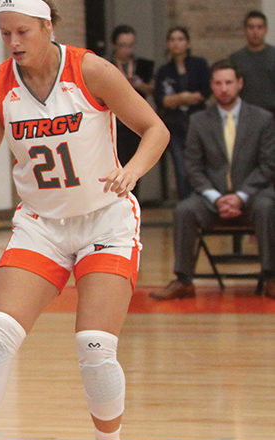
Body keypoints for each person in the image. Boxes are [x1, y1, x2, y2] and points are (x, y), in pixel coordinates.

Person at [0, 1, 169, 440]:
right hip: (41, 224)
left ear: (47, 27)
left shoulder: (90, 71)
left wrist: (130, 170)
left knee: (93, 344)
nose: (14, 41)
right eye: (5, 33)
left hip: (106, 219)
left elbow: (156, 130)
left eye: (23, 31)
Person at [150, 60, 275, 301]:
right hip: (212, 199)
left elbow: (268, 165)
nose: (224, 88)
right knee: (185, 210)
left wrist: (240, 196)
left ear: (239, 84)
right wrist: (217, 198)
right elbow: (193, 167)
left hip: (252, 197)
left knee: (267, 206)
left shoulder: (263, 119)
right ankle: (184, 280)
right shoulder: (198, 121)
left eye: (229, 82)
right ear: (212, 86)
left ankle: (270, 277)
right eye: (218, 83)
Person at [155, 26, 211, 201]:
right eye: (172, 39)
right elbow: (162, 99)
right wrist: (184, 97)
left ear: (187, 43)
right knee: (180, 167)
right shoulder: (164, 71)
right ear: (167, 44)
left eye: (180, 39)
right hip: (175, 125)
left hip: (197, 123)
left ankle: (202, 201)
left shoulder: (199, 64)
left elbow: (205, 92)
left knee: (200, 164)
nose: (176, 43)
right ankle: (185, 204)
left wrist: (177, 99)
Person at [108, 25, 156, 170]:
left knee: (135, 163)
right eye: (123, 45)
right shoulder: (105, 64)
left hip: (136, 117)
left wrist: (139, 84)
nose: (127, 50)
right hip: (113, 118)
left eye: (130, 45)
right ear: (115, 45)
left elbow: (153, 90)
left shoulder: (143, 65)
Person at [230, 11, 275, 115]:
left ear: (266, 30)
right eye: (251, 27)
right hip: (245, 115)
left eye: (259, 27)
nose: (255, 32)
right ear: (245, 31)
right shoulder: (235, 59)